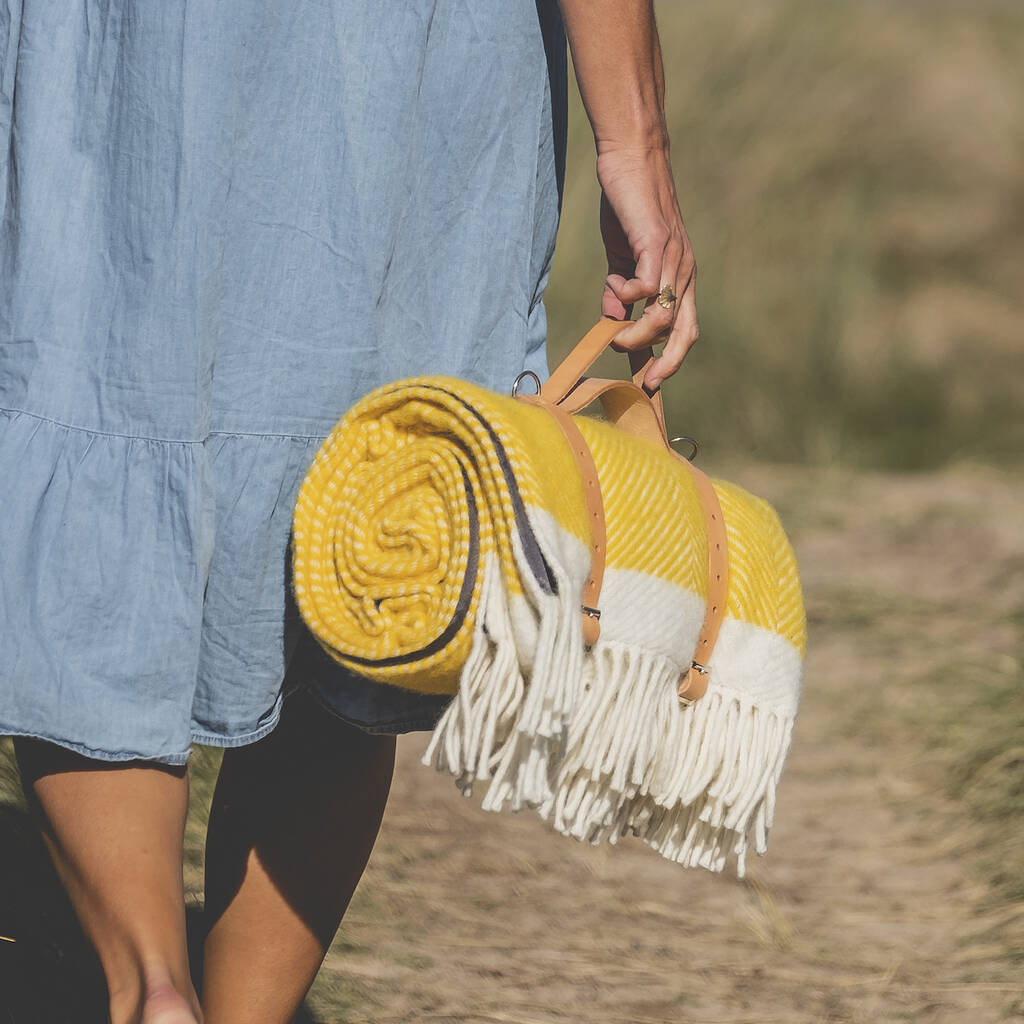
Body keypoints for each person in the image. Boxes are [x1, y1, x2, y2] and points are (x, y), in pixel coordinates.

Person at [0, 1, 698, 1020]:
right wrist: (633, 141)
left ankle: (150, 986)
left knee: (101, 403)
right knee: (375, 516)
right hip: (412, 50)